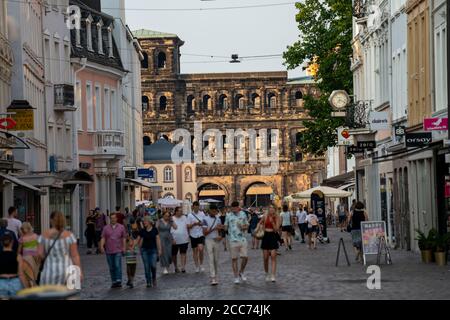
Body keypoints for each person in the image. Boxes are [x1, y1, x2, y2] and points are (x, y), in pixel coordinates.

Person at [38, 211, 82, 286]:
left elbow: (39, 254)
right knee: (69, 295)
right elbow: (75, 256)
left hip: (49, 271)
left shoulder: (44, 236)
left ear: (51, 220)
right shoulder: (69, 235)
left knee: (49, 295)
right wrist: (79, 271)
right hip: (68, 270)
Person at [99, 212, 127, 288]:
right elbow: (103, 237)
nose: (113, 219)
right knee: (111, 267)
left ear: (116, 219)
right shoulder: (106, 228)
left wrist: (124, 247)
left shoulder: (121, 227)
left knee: (117, 265)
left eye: (114, 218)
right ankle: (114, 281)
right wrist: (101, 246)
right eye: (111, 218)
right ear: (110, 219)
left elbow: (124, 238)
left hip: (118, 249)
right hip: (109, 250)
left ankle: (118, 280)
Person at [224, 201, 249, 284]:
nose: (233, 209)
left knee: (245, 257)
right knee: (234, 259)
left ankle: (241, 271)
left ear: (238, 207)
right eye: (232, 208)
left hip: (242, 239)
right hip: (232, 239)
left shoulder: (243, 214)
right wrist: (224, 227)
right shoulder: (228, 215)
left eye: (235, 208)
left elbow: (247, 225)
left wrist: (243, 227)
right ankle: (236, 276)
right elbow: (225, 227)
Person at [0, 233, 28, 297]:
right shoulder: (18, 256)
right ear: (12, 242)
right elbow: (21, 274)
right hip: (15, 282)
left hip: (1, 282)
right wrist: (27, 288)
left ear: (1, 243)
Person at [138, 216, 162, 288]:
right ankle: (148, 281)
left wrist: (159, 249)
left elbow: (158, 239)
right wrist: (132, 246)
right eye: (143, 221)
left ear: (149, 222)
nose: (144, 222)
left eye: (145, 221)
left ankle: (154, 277)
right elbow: (138, 239)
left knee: (153, 265)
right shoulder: (142, 230)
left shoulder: (155, 230)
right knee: (146, 266)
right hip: (144, 250)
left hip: (153, 250)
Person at [203, 204, 224, 285]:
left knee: (216, 260)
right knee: (211, 259)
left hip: (216, 240)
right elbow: (204, 233)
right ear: (210, 211)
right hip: (208, 240)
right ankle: (213, 277)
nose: (214, 212)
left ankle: (216, 275)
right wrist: (214, 229)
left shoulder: (218, 219)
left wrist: (221, 236)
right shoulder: (205, 219)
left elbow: (221, 231)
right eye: (213, 211)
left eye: (216, 211)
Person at [259, 205, 280, 282]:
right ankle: (266, 273)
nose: (271, 209)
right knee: (265, 258)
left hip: (273, 236)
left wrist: (272, 222)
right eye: (270, 208)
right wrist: (260, 227)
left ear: (275, 209)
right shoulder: (265, 215)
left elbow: (276, 229)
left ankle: (273, 275)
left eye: (273, 208)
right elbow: (260, 223)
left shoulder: (277, 217)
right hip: (265, 236)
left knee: (273, 256)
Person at [18, 222, 40, 287]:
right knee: (34, 274)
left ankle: (29, 287)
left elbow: (19, 251)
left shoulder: (22, 238)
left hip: (26, 258)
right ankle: (34, 287)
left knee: (28, 274)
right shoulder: (36, 236)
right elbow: (39, 247)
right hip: (35, 257)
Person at [187, 201, 207, 273]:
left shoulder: (202, 214)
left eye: (197, 207)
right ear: (193, 207)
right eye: (195, 207)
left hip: (200, 234)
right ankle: (196, 266)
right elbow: (188, 226)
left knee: (201, 249)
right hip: (193, 234)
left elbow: (205, 224)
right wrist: (194, 224)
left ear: (199, 207)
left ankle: (201, 264)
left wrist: (201, 224)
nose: (196, 208)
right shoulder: (190, 215)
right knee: (195, 251)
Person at [171, 207, 188, 273]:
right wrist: (171, 238)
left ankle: (183, 267)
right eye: (179, 211)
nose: (181, 212)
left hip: (184, 239)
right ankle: (175, 267)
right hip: (174, 239)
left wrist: (188, 235)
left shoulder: (184, 217)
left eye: (181, 211)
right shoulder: (172, 218)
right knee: (174, 254)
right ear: (176, 211)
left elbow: (187, 226)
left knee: (183, 253)